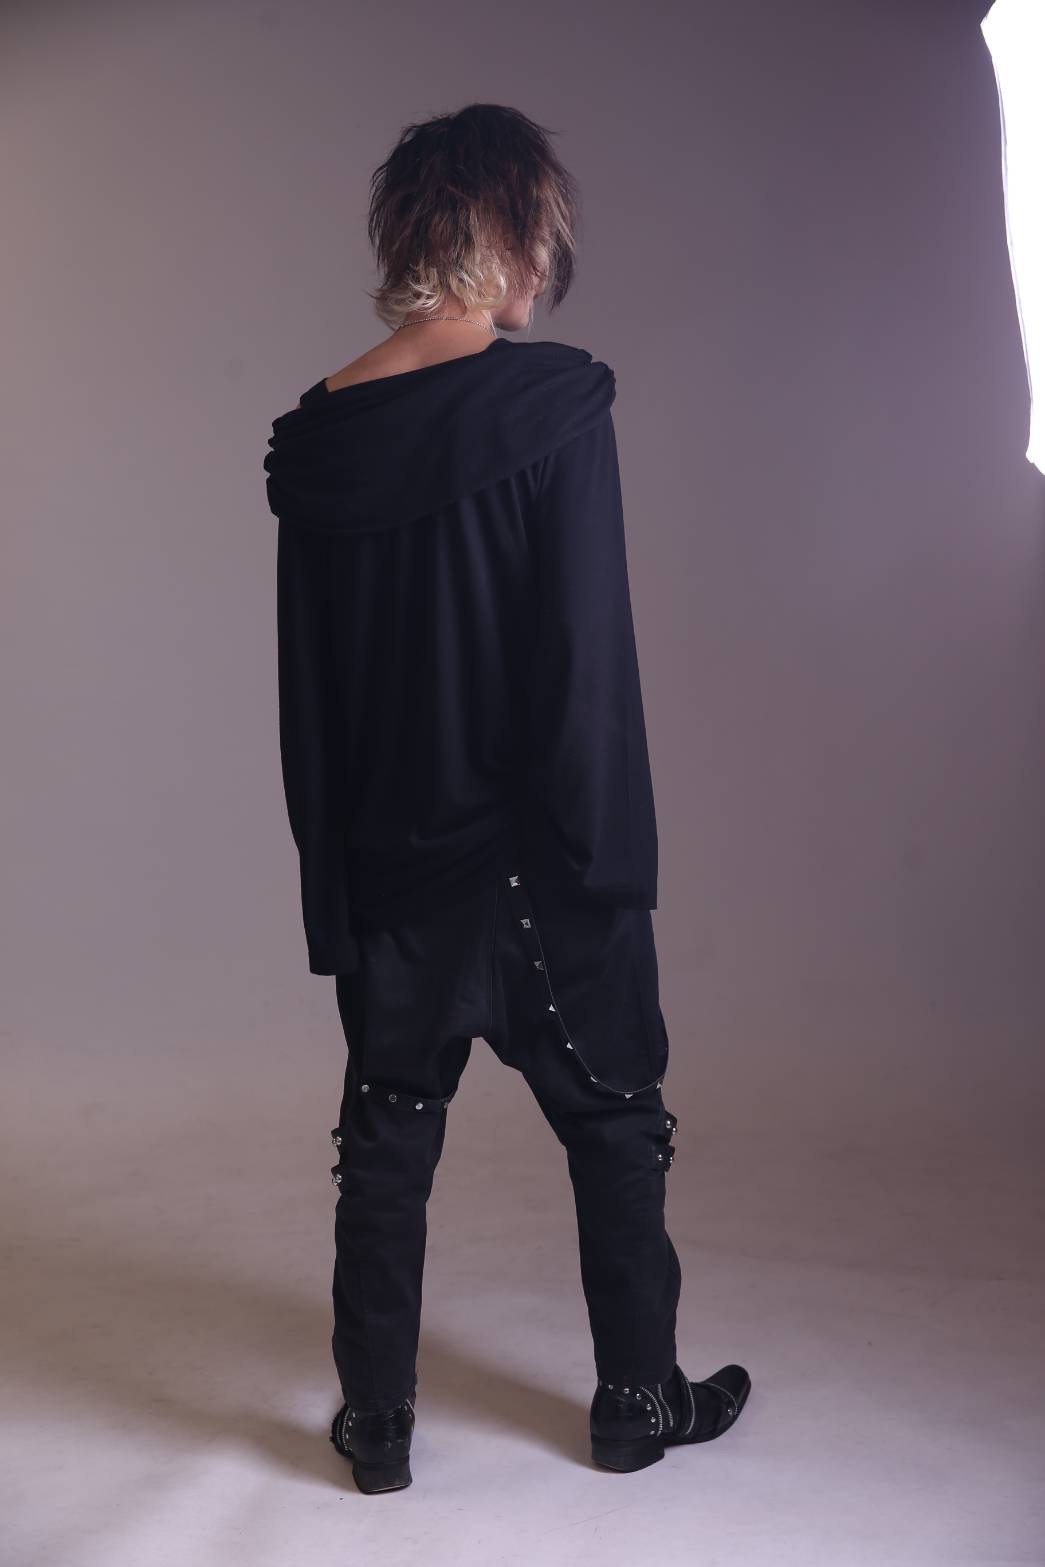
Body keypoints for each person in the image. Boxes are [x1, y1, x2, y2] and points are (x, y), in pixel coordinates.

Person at [263, 101, 750, 1494]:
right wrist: (613, 865)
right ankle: (635, 1401)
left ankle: (377, 1427)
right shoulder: (554, 405)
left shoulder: (318, 441)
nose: (551, 268)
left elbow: (312, 705)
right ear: (503, 232)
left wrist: (335, 894)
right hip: (550, 856)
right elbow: (585, 659)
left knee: (387, 1135)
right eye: (546, 235)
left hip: (392, 867)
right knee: (615, 1121)